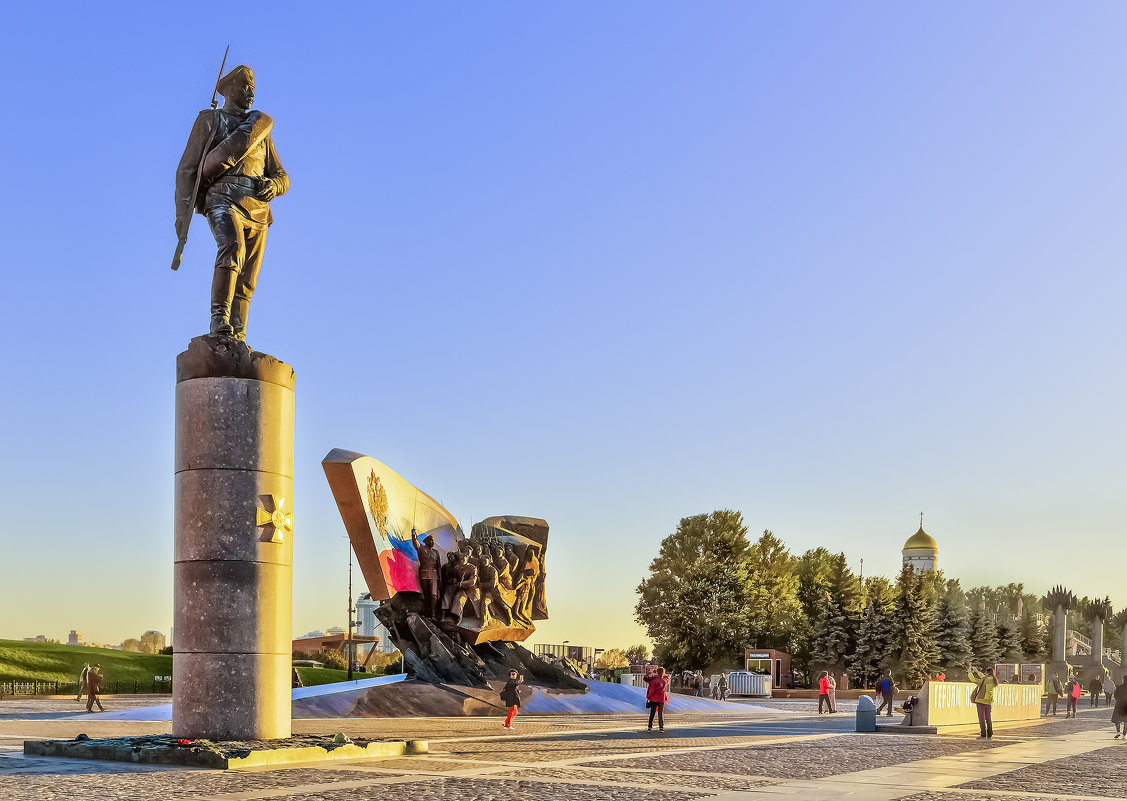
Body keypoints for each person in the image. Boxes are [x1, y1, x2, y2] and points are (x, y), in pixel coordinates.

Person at [174, 65, 290, 341]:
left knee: (248, 279)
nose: (250, 92)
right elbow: (187, 169)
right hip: (222, 198)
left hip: (258, 208)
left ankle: (238, 336)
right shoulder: (209, 120)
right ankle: (219, 318)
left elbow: (281, 175)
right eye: (245, 86)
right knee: (231, 247)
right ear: (228, 89)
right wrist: (182, 214)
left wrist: (273, 185)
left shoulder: (260, 129)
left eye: (252, 87)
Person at [411, 529, 441, 619]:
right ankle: (426, 613)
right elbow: (415, 543)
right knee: (425, 595)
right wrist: (413, 535)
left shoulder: (436, 552)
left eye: (433, 540)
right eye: (431, 540)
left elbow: (438, 565)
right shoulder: (421, 549)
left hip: (434, 575)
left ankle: (433, 614)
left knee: (434, 595)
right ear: (427, 541)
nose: (433, 542)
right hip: (424, 574)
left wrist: (440, 578)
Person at [973, 666, 998, 739]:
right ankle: (990, 733)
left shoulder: (985, 680)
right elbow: (984, 677)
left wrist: (970, 673)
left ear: (987, 673)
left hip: (981, 700)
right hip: (989, 701)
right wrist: (977, 672)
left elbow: (973, 679)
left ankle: (983, 734)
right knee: (988, 718)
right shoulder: (994, 680)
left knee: (982, 718)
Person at [644, 666, 670, 732]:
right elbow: (668, 679)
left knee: (652, 713)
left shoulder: (653, 679)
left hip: (653, 697)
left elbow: (646, 679)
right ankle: (661, 727)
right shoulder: (665, 680)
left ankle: (649, 727)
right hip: (661, 698)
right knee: (660, 713)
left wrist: (648, 674)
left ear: (657, 672)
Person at [1113, 674, 1127, 738]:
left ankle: (1118, 732)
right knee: (1126, 720)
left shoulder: (1119, 687)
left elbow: (1115, 696)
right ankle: (1124, 734)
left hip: (1119, 704)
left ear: (1123, 680)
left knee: (1117, 719)